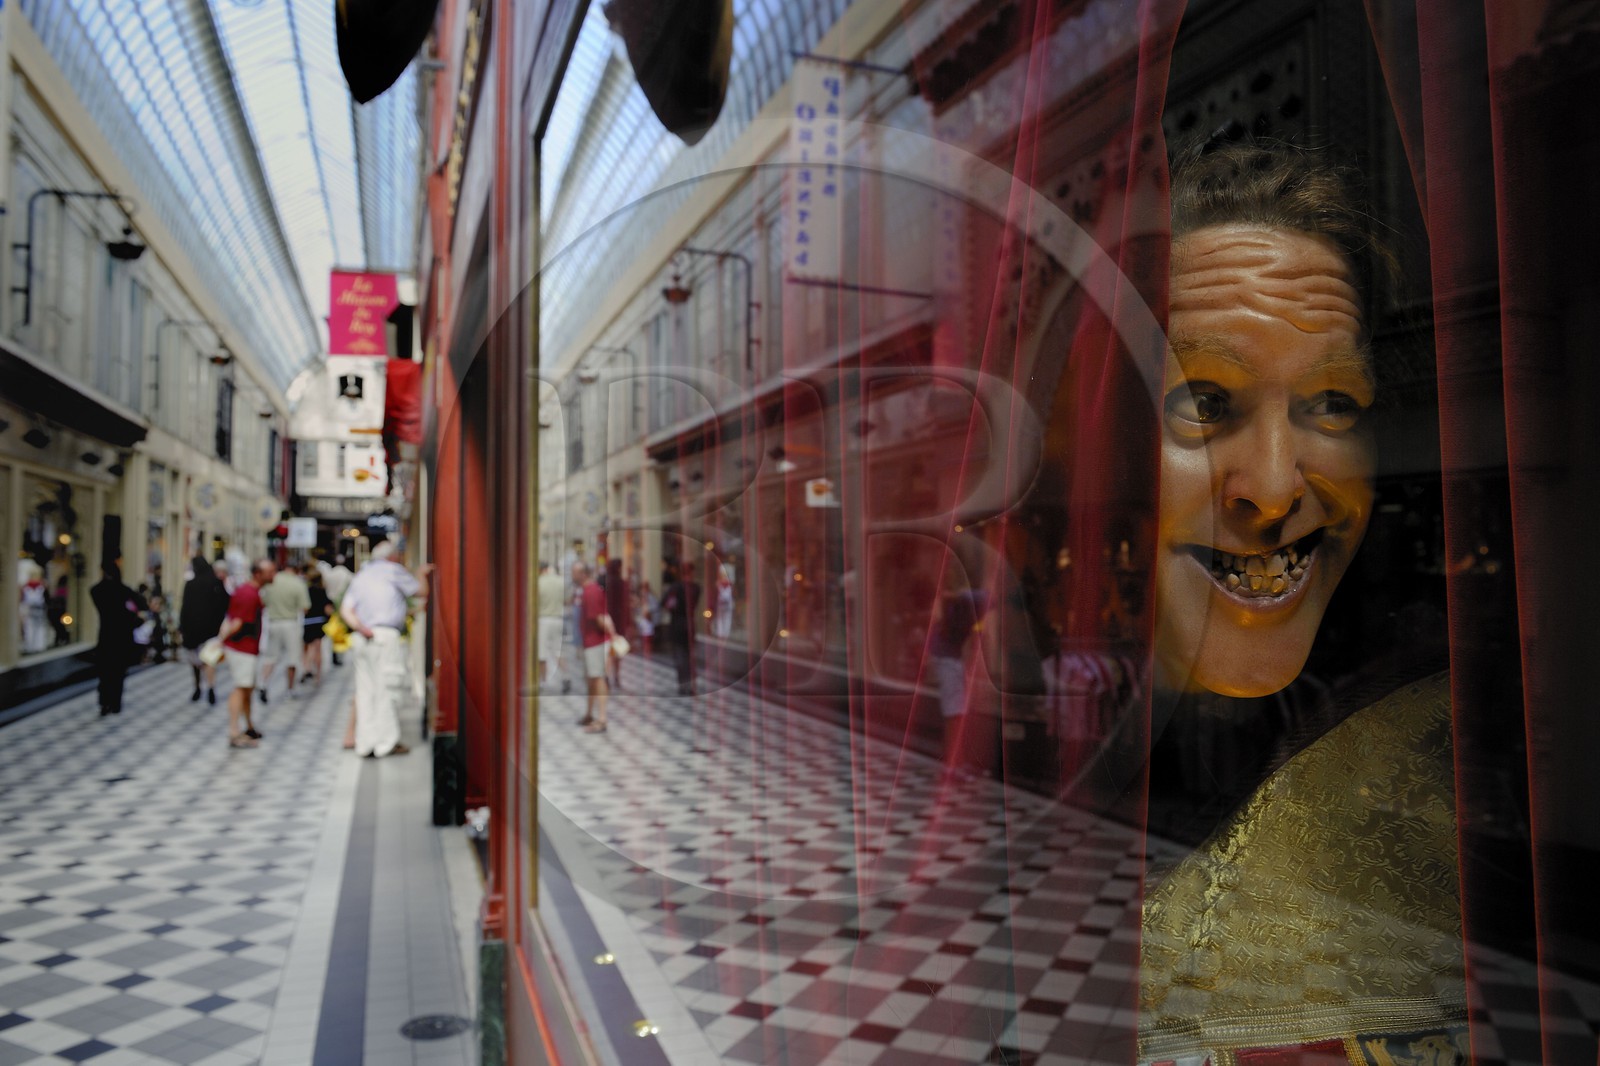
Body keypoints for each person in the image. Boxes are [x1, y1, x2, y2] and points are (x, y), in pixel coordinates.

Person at [1137, 141, 1462, 1063]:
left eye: (1332, 404)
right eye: (1204, 399)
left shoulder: (1436, 744)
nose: (1276, 487)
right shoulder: (1012, 781)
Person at [340, 540, 426, 758]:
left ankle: (366, 743)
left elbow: (346, 610)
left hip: (363, 636)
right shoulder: (393, 571)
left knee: (365, 690)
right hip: (384, 636)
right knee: (388, 688)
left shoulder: (362, 575)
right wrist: (422, 574)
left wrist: (361, 627)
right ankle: (386, 743)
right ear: (392, 556)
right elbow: (420, 592)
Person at [928, 583, 991, 777]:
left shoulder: (966, 603)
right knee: (955, 715)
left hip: (949, 659)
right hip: (949, 661)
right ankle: (953, 766)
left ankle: (957, 763)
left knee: (957, 714)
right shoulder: (980, 601)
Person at [217, 558, 274, 748]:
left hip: (248, 648)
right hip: (242, 648)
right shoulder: (248, 594)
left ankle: (249, 726)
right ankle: (234, 731)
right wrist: (220, 641)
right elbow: (237, 623)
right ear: (258, 573)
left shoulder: (250, 592)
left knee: (247, 688)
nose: (273, 575)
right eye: (270, 572)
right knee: (241, 688)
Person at [90, 562, 146, 716]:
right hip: (121, 637)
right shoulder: (123, 590)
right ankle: (115, 702)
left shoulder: (100, 590)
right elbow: (141, 604)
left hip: (107, 636)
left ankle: (105, 701)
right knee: (118, 671)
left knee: (106, 671)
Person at [179, 555, 229, 704]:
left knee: (194, 661)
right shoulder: (216, 583)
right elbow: (225, 604)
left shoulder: (190, 584)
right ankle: (211, 687)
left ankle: (197, 687)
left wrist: (182, 627)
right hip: (211, 630)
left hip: (192, 630)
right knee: (209, 660)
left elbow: (185, 608)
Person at [572, 562, 615, 733]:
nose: (572, 576)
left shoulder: (591, 592)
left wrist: (613, 635)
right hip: (591, 641)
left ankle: (602, 718)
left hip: (596, 642)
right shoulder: (591, 590)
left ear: (583, 574)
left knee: (598, 678)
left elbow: (599, 618)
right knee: (592, 679)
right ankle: (589, 713)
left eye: (574, 573)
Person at [259, 561, 311, 702]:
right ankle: (290, 688)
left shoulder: (272, 581)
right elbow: (305, 607)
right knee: (292, 658)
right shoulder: (298, 583)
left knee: (270, 657)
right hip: (291, 624)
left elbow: (263, 602)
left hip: (273, 623)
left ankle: (263, 683)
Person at [659, 562, 700, 696]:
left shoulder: (675, 587)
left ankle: (684, 685)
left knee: (680, 657)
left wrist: (673, 608)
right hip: (689, 624)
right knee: (689, 656)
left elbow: (663, 602)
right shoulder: (696, 588)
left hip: (677, 624)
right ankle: (690, 684)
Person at [536, 560, 568, 693]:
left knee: (542, 653)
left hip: (543, 619)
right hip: (558, 619)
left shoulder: (538, 582)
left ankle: (542, 682)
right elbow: (567, 599)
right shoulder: (560, 581)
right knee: (557, 651)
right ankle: (566, 677)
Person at [301, 569, 332, 688]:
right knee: (318, 649)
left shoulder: (306, 591)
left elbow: (304, 608)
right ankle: (318, 675)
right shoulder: (322, 591)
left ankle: (307, 667)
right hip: (319, 621)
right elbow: (328, 608)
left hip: (308, 621)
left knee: (308, 647)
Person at [322, 554, 354, 664]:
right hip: (342, 606)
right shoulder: (347, 574)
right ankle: (340, 652)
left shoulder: (330, 574)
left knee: (333, 630)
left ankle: (335, 653)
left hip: (331, 605)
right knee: (340, 630)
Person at [604, 558, 629, 690]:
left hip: (608, 619)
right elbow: (625, 604)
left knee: (609, 649)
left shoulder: (607, 583)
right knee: (617, 650)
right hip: (618, 620)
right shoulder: (621, 584)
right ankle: (616, 676)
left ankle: (608, 674)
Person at [18, 563, 49, 654]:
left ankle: (34, 646)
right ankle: (36, 646)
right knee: (33, 627)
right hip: (32, 609)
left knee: (33, 627)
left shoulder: (41, 585)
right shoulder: (41, 585)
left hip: (36, 608)